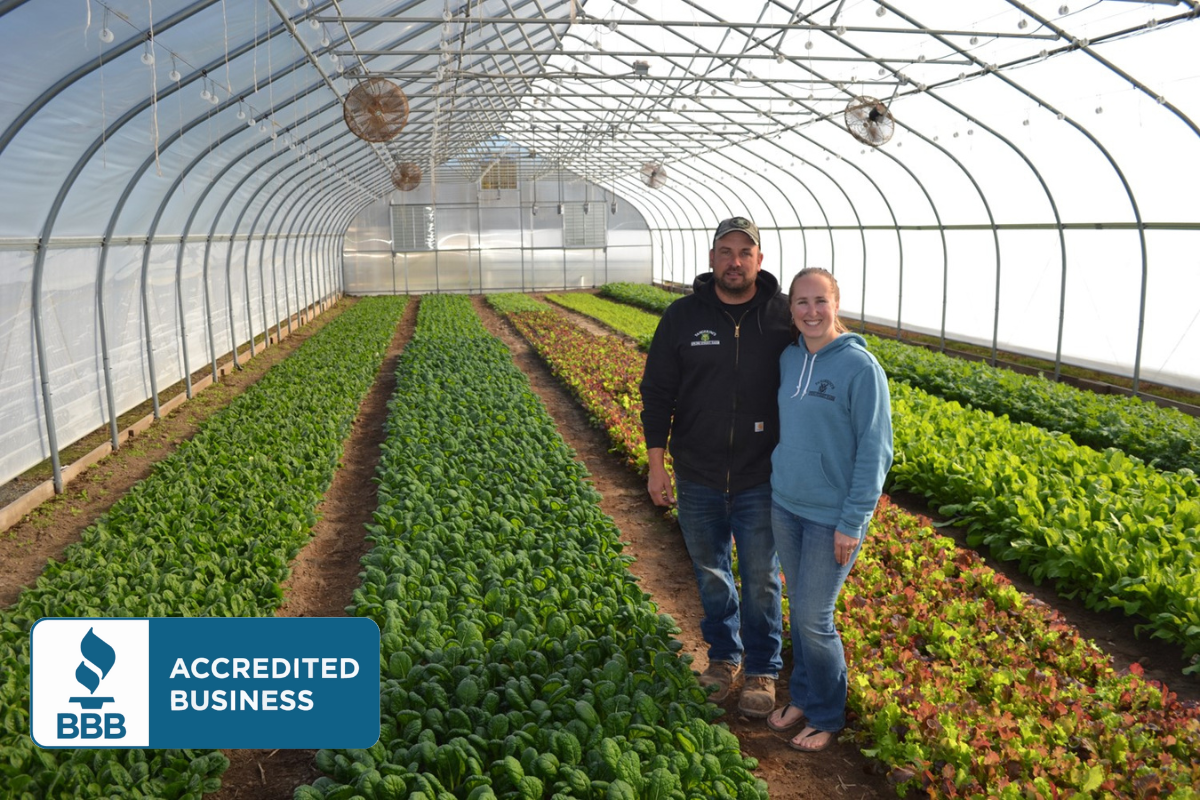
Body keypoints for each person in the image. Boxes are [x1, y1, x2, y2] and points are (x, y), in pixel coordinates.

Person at [639, 216, 793, 717]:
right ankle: (725, 658)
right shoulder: (682, 316)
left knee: (762, 576)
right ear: (711, 259)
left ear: (759, 261)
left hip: (761, 475)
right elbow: (657, 392)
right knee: (710, 573)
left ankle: (764, 669)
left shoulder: (783, 316)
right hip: (698, 472)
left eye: (744, 252)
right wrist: (656, 464)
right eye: (725, 251)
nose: (735, 261)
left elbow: (820, 365)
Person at [764, 267, 893, 751]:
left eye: (820, 301)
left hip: (830, 518)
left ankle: (827, 714)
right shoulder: (789, 360)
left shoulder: (860, 368)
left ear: (836, 304)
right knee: (798, 612)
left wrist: (852, 522)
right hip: (786, 504)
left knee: (816, 616)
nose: (811, 312)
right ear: (791, 309)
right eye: (801, 302)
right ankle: (802, 696)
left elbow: (876, 451)